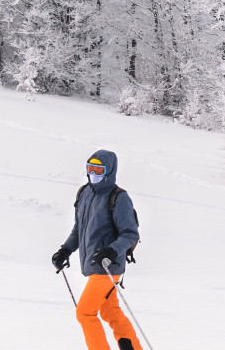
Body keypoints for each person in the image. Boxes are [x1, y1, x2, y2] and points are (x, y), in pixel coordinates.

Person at [52, 150, 142, 350]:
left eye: (98, 169)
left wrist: (111, 251)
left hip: (108, 266)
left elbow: (130, 234)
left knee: (85, 313)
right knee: (110, 313)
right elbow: (79, 229)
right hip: (94, 266)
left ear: (109, 171)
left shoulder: (118, 197)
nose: (93, 173)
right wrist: (65, 250)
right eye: (89, 168)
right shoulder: (84, 193)